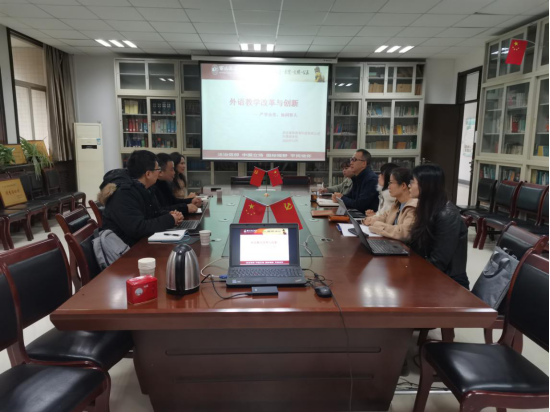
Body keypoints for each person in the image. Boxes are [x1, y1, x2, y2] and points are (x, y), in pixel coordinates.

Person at [101, 150, 183, 247]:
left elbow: (153, 214)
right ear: (148, 174)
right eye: (157, 169)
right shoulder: (123, 194)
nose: (159, 172)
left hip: (141, 242)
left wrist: (170, 215)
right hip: (126, 250)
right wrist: (170, 219)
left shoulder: (145, 188)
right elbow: (138, 228)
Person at [409, 164, 470, 289]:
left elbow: (439, 261)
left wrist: (413, 274)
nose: (409, 185)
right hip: (430, 273)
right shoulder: (427, 208)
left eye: (412, 182)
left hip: (449, 282)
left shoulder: (447, 214)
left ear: (425, 185)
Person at [363, 168, 417, 242]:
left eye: (391, 183)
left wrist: (375, 224)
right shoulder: (397, 203)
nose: (388, 187)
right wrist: (370, 220)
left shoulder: (413, 206)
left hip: (402, 247)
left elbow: (403, 233)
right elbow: (384, 217)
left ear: (403, 185)